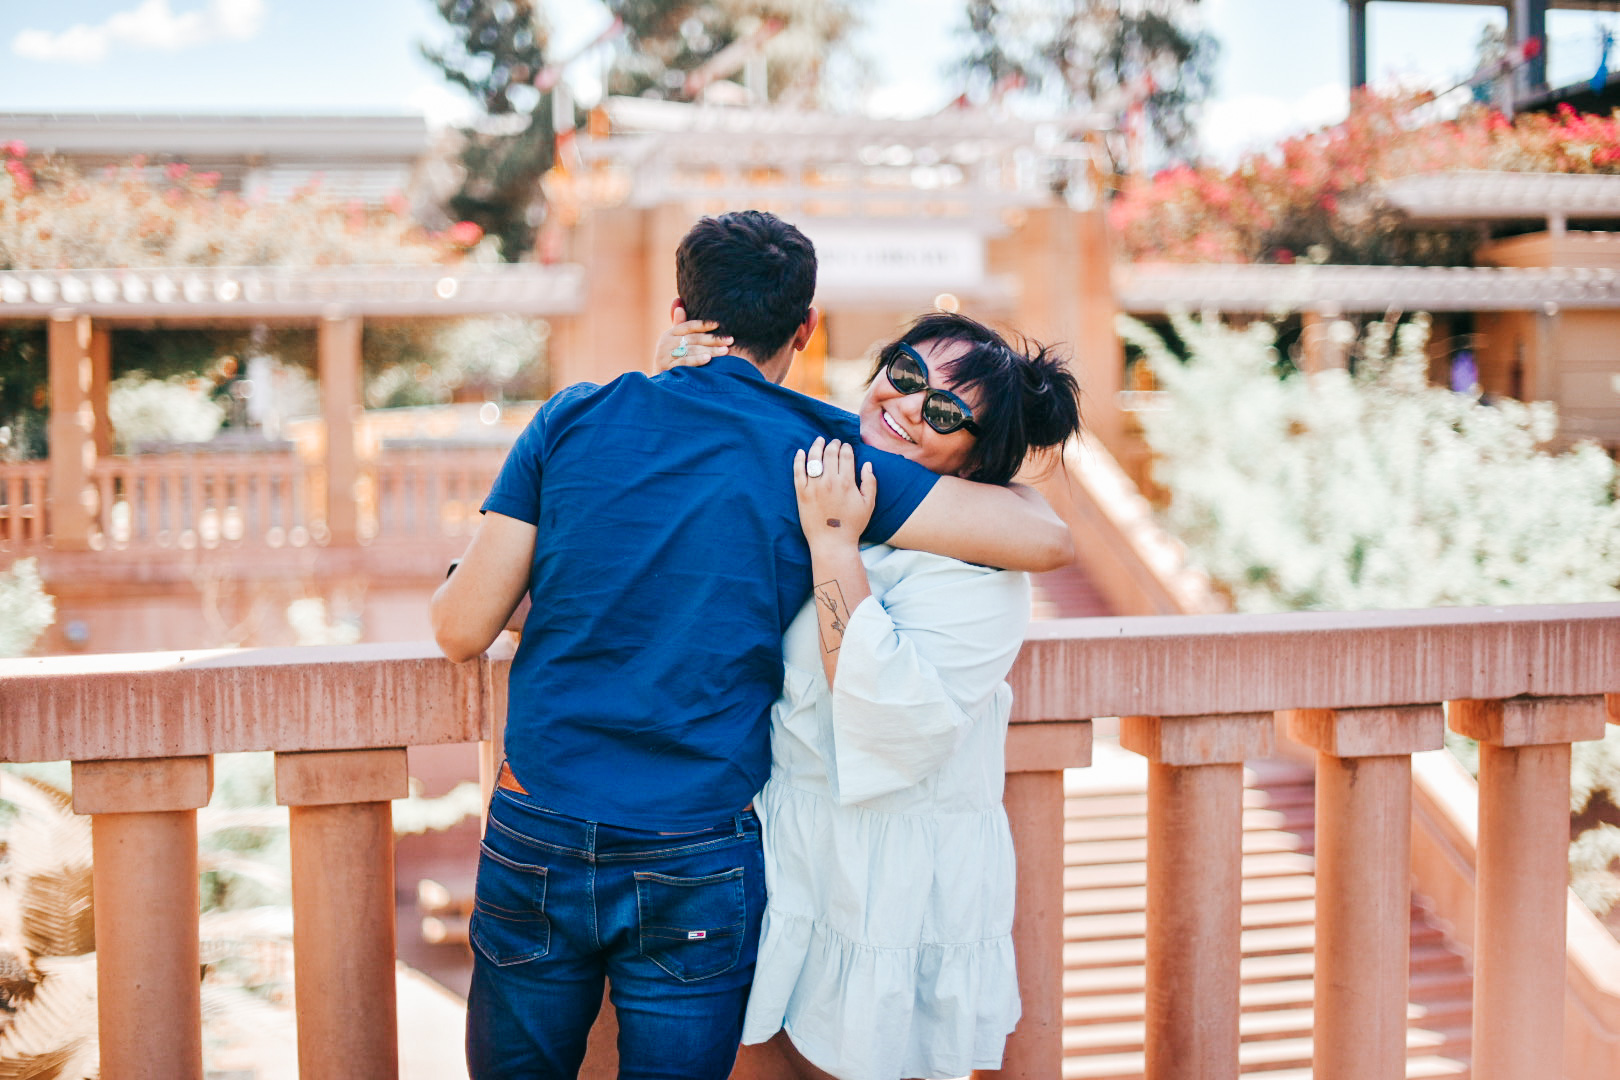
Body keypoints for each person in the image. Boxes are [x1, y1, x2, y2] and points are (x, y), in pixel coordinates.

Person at [430, 210, 1075, 1080]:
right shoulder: (821, 454)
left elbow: (460, 626)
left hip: (539, 816)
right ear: (805, 329)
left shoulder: (572, 416)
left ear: (678, 308)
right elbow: (1043, 538)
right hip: (694, 845)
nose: (913, 403)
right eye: (907, 376)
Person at [656, 313, 1083, 1080]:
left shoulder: (979, 569)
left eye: (948, 412)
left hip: (893, 876)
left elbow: (889, 719)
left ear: (975, 458)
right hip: (788, 846)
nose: (912, 404)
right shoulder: (834, 476)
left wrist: (830, 543)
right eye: (909, 372)